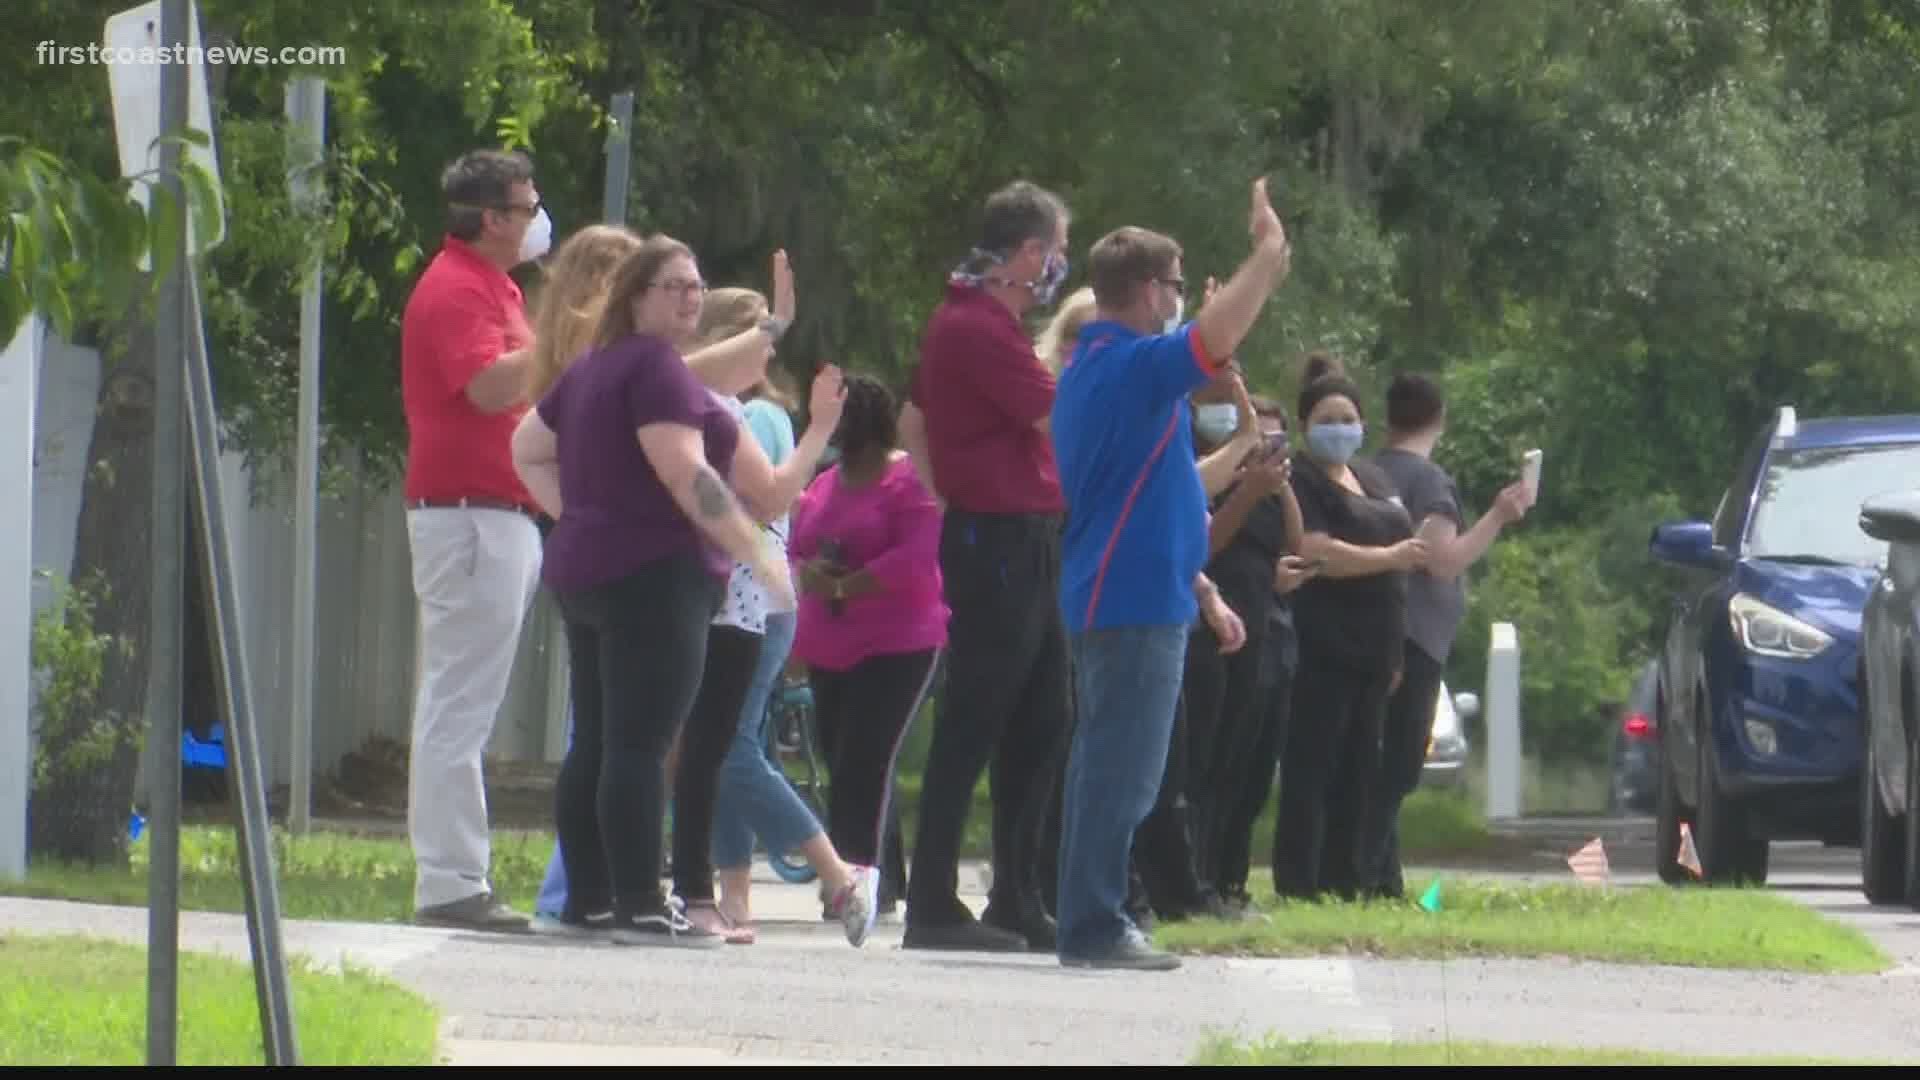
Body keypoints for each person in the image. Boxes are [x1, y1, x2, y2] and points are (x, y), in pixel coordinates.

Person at [509, 234, 795, 947]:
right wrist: (756, 552)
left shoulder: (594, 368)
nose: (691, 297)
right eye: (674, 286)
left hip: (586, 572)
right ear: (636, 296)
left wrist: (579, 513)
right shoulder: (658, 371)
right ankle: (639, 901)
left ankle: (592, 899)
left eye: (697, 284)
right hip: (654, 577)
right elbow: (689, 477)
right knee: (640, 743)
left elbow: (527, 449)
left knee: (600, 740)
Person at [1048, 177, 1295, 970]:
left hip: (1126, 592)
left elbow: (1171, 484)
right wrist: (1267, 255)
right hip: (1129, 598)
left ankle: (1092, 914)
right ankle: (1092, 923)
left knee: (1113, 767)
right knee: (1123, 773)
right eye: (1178, 288)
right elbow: (1211, 341)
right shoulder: (1128, 368)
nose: (1183, 303)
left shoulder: (1109, 372)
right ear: (1151, 292)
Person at [896, 180, 1075, 953]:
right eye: (1056, 252)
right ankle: (932, 900)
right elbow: (1056, 412)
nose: (1057, 269)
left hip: (1026, 534)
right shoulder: (975, 327)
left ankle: (1017, 891)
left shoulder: (983, 326)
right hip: (995, 537)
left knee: (1044, 717)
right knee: (976, 714)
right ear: (1029, 254)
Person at [666, 287, 868, 946]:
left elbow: (772, 497)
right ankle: (731, 895)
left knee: (729, 748)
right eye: (757, 342)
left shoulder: (746, 413)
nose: (765, 355)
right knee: (713, 749)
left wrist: (818, 430)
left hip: (749, 597)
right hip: (743, 593)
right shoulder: (721, 404)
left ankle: (836, 873)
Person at [400, 148, 553, 932]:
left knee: (464, 700)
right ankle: (450, 881)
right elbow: (491, 385)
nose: (536, 221)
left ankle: (456, 874)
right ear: (490, 217)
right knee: (458, 703)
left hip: (495, 516)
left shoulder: (493, 285)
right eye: (527, 208)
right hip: (470, 518)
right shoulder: (457, 288)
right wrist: (563, 341)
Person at [789, 373, 950, 947]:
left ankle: (852, 880)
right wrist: (811, 572)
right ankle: (888, 875)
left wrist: (849, 585)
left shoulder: (909, 482)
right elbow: (797, 540)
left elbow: (917, 554)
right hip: (832, 644)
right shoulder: (826, 483)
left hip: (899, 641)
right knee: (842, 758)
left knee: (867, 756)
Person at [1365, 372, 1529, 898]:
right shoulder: (1430, 483)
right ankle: (1374, 876)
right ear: (1439, 418)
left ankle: (1377, 873)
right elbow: (1442, 559)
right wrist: (1499, 516)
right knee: (1397, 767)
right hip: (1413, 636)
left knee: (1370, 758)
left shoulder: (1365, 471)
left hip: (1365, 629)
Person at [1272, 353, 1428, 902]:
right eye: (1327, 420)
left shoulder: (1374, 478)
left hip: (1376, 650)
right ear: (1306, 425)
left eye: (1348, 419)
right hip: (1324, 647)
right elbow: (1315, 552)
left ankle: (1347, 877)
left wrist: (1395, 652)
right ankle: (1300, 879)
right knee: (1313, 767)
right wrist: (1389, 557)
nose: (1339, 429)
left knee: (1361, 771)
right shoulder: (1303, 479)